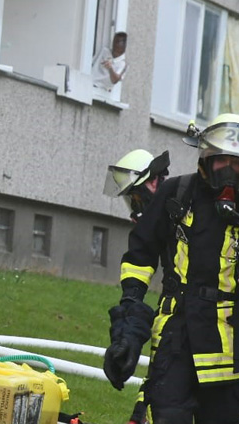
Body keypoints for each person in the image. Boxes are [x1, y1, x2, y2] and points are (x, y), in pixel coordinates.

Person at [103, 113, 239, 424]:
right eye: (223, 161)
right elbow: (140, 256)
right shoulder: (175, 195)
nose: (229, 170)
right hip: (177, 340)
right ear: (205, 157)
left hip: (232, 354)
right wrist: (128, 326)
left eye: (238, 163)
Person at [102, 148, 171, 424]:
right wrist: (125, 333)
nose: (135, 211)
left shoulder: (185, 216)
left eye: (137, 200)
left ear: (154, 183)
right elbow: (137, 269)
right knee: (155, 394)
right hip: (173, 331)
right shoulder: (158, 227)